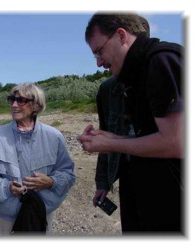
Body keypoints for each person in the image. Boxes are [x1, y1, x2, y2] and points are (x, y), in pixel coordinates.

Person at [78, 13, 183, 233]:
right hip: (144, 190)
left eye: (99, 51)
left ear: (121, 36)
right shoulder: (132, 76)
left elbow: (177, 142)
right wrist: (109, 138)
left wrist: (111, 144)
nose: (98, 63)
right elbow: (142, 134)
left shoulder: (161, 61)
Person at [0, 82, 76, 235]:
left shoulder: (54, 137)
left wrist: (52, 182)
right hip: (9, 215)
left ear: (36, 106)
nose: (14, 105)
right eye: (12, 100)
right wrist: (8, 188)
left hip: (41, 211)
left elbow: (68, 174)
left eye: (21, 100)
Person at [92, 16, 151, 232]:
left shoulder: (163, 70)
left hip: (165, 178)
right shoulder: (108, 90)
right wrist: (103, 183)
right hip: (128, 175)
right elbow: (106, 136)